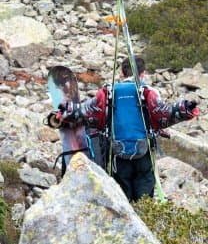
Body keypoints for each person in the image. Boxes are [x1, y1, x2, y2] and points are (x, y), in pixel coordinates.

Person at [59, 56, 199, 202]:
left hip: (117, 156)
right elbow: (163, 114)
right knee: (145, 198)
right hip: (144, 154)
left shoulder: (108, 93)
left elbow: (89, 113)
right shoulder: (148, 92)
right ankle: (144, 219)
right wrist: (185, 109)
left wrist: (66, 113)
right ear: (143, 73)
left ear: (122, 73)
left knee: (122, 198)